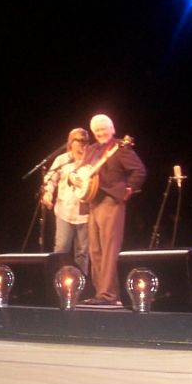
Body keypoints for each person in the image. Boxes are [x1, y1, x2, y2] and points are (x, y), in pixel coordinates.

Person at [74, 113, 146, 306]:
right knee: (95, 250)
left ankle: (108, 295)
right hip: (93, 202)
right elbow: (81, 172)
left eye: (104, 129)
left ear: (112, 129)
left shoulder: (120, 147)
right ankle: (101, 292)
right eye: (97, 130)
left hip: (111, 201)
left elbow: (139, 170)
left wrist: (129, 188)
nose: (100, 133)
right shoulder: (91, 149)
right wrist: (74, 178)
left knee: (109, 249)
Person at [42, 128, 90, 273]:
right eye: (78, 141)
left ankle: (81, 282)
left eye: (85, 141)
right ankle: (59, 280)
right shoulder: (62, 160)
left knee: (82, 253)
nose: (82, 145)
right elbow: (50, 179)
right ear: (70, 143)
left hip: (85, 214)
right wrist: (48, 193)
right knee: (61, 250)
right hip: (64, 212)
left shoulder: (91, 160)